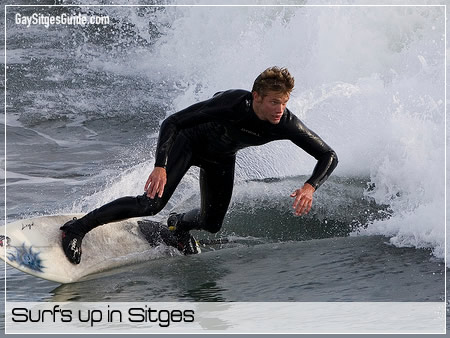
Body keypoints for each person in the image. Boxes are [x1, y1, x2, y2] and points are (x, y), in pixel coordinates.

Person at [61, 66, 338, 264]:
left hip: (220, 157)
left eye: (285, 102)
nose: (280, 109)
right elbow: (172, 122)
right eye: (274, 102)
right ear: (256, 97)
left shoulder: (285, 124)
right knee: (151, 203)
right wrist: (160, 165)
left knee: (212, 223)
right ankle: (78, 228)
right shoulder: (231, 104)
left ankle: (176, 227)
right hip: (189, 143)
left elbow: (328, 155)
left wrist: (310, 186)